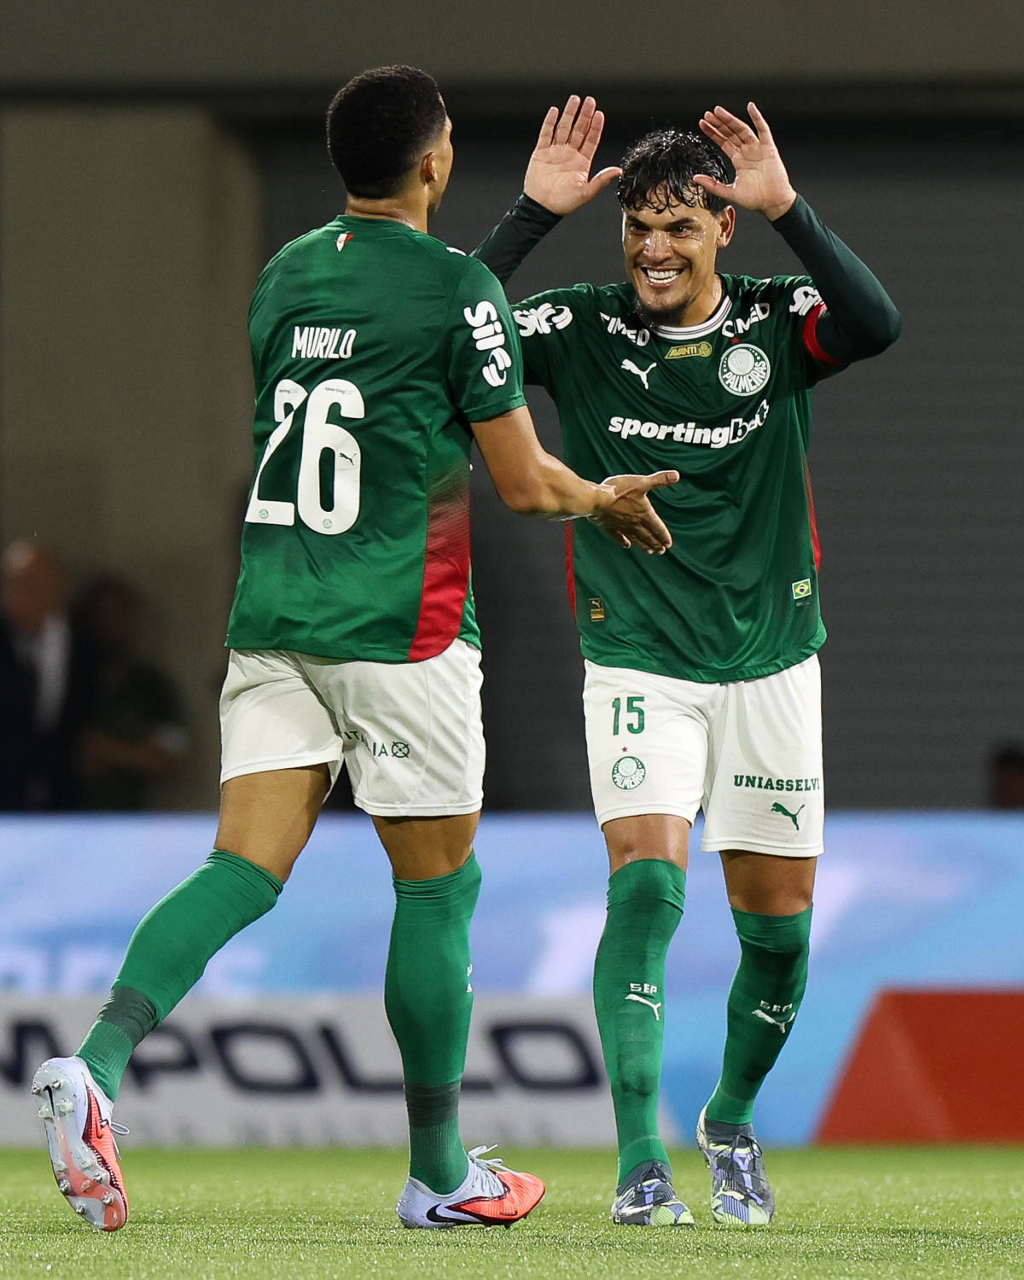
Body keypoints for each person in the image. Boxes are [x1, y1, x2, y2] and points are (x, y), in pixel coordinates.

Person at [32, 67, 677, 1233]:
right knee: (436, 884)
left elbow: (403, 326)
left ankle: (98, 1062)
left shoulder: (284, 275)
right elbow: (522, 479)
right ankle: (439, 1171)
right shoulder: (458, 288)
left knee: (242, 868)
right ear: (435, 161)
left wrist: (526, 221)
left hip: (275, 618)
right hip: (403, 626)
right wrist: (602, 495)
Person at [474, 96, 901, 1226]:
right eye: (637, 229)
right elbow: (444, 336)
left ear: (722, 229)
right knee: (648, 886)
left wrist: (792, 210)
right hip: (637, 656)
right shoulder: (577, 328)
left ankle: (728, 1120)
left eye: (678, 227)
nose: (655, 249)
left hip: (771, 660)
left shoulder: (775, 318)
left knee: (780, 932)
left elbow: (878, 322)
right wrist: (527, 217)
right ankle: (636, 1159)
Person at [73, 576, 188, 810]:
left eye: (120, 614)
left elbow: (169, 756)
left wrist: (110, 751)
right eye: (102, 615)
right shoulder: (68, 679)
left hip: (130, 815)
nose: (111, 625)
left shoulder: (150, 685)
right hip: (64, 813)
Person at [0, 540, 95, 810]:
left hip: (66, 802)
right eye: (17, 584)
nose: (25, 594)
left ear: (60, 586)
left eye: (36, 584)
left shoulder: (86, 647)